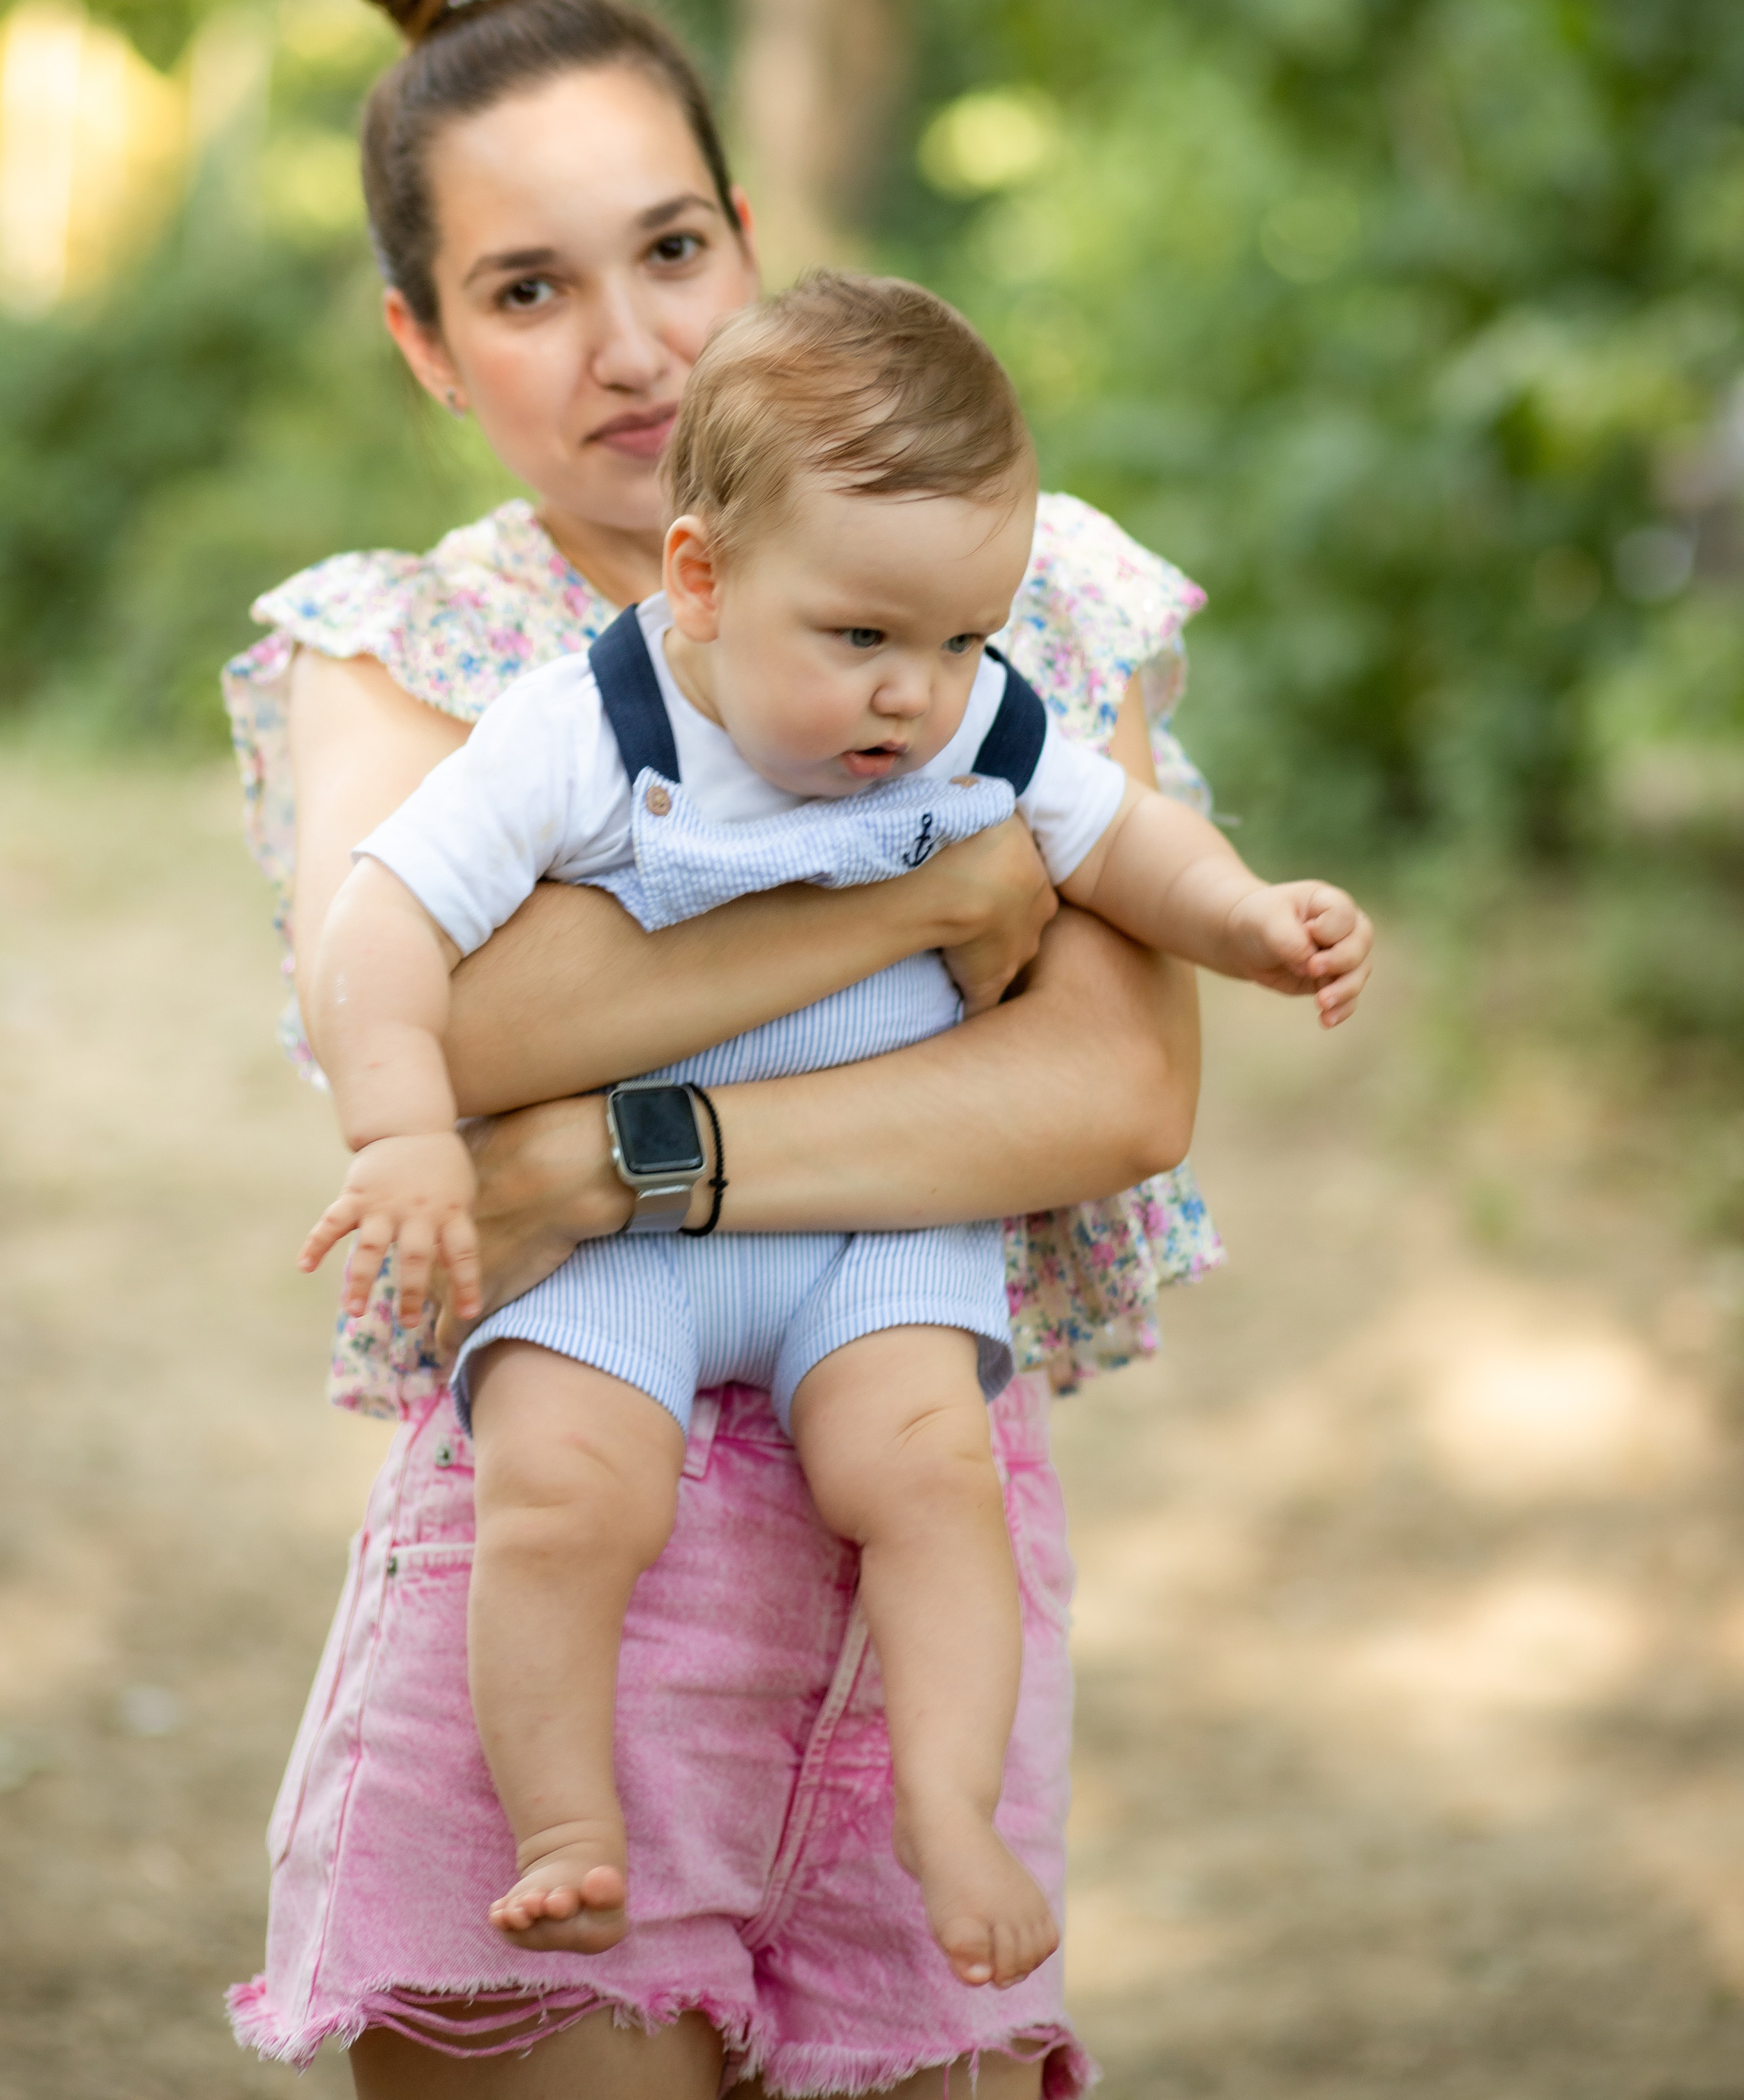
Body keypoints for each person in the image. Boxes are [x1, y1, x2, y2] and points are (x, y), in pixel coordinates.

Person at [225, 0, 1231, 2100]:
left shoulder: (1011, 579)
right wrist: (917, 904)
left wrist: (615, 1159)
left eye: (673, 248)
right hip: (563, 1555)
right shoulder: (398, 653)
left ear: (751, 240)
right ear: (423, 344)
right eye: (527, 288)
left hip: (922, 1524)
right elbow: (461, 1028)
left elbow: (1112, 1082)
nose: (636, 346)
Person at [300, 273, 1373, 1998]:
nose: (916, 699)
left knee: (932, 1480)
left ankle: (947, 1809)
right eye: (863, 641)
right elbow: (382, 923)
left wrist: (1243, 918)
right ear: (701, 580)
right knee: (559, 1494)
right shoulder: (581, 728)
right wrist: (404, 1131)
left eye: (958, 640)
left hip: (873, 1223)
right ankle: (565, 1826)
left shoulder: (981, 717)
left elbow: (1121, 840)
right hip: (620, 1249)